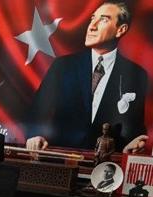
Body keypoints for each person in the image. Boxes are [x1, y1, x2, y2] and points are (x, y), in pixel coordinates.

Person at [25, 2, 148, 153]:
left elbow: (134, 127)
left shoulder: (137, 75)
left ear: (120, 30)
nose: (92, 26)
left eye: (103, 20)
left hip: (107, 162)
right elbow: (37, 110)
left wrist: (132, 145)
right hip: (61, 158)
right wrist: (35, 135)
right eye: (92, 19)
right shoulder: (62, 66)